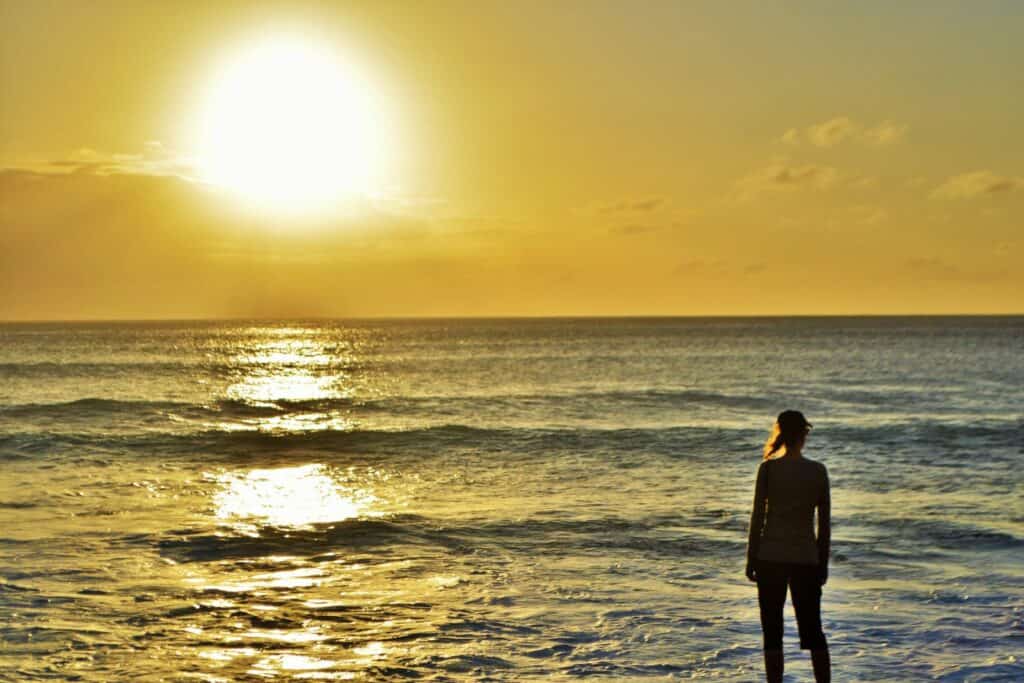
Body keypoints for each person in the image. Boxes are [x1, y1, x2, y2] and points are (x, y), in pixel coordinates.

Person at [746, 410, 831, 683]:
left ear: (779, 432)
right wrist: (823, 564)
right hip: (806, 559)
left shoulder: (769, 469)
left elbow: (758, 517)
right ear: (804, 434)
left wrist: (751, 557)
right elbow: (824, 526)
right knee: (813, 630)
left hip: (770, 557)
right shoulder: (817, 471)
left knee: (772, 631)